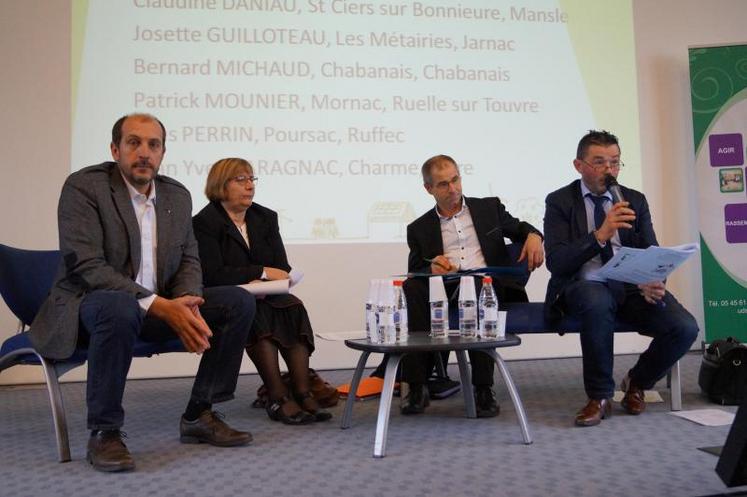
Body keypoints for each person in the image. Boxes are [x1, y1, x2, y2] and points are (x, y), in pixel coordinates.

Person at [29, 114, 257, 472]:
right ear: (115, 149)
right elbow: (88, 266)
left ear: (163, 152)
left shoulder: (177, 195)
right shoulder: (85, 188)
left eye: (153, 145)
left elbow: (189, 260)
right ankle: (105, 432)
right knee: (120, 306)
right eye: (134, 143)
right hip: (90, 308)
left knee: (238, 302)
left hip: (160, 306)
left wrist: (187, 300)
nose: (144, 153)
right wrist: (159, 305)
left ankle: (200, 413)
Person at [543, 130, 698, 427]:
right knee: (596, 301)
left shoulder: (633, 200)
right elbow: (557, 263)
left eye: (614, 162)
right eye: (599, 162)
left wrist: (654, 279)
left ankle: (637, 382)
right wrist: (599, 235)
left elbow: (651, 249)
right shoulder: (560, 202)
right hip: (583, 285)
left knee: (684, 327)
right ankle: (600, 396)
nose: (609, 170)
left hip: (630, 287)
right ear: (579, 165)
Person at [400, 154, 544, 416]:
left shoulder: (489, 208)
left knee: (476, 288)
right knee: (412, 289)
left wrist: (534, 235)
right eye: (443, 184)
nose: (453, 188)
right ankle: (418, 385)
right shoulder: (418, 228)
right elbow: (415, 271)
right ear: (428, 189)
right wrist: (431, 268)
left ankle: (483, 389)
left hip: (484, 284)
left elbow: (520, 228)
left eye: (455, 180)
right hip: (442, 287)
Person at [192, 158, 331, 426]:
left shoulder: (265, 217)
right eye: (241, 180)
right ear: (221, 185)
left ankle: (302, 391)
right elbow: (213, 273)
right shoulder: (204, 223)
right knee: (255, 311)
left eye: (252, 179)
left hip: (268, 292)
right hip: (229, 296)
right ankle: (277, 396)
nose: (249, 186)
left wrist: (266, 276)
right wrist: (260, 273)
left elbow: (281, 265)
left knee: (292, 305)